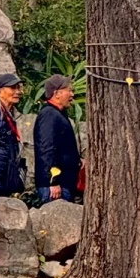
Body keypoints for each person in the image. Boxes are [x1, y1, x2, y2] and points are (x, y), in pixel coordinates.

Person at [34, 73, 81, 202]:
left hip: (64, 184)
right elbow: (47, 149)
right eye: (69, 90)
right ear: (57, 94)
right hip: (55, 188)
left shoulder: (57, 114)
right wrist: (53, 181)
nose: (72, 94)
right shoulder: (49, 114)